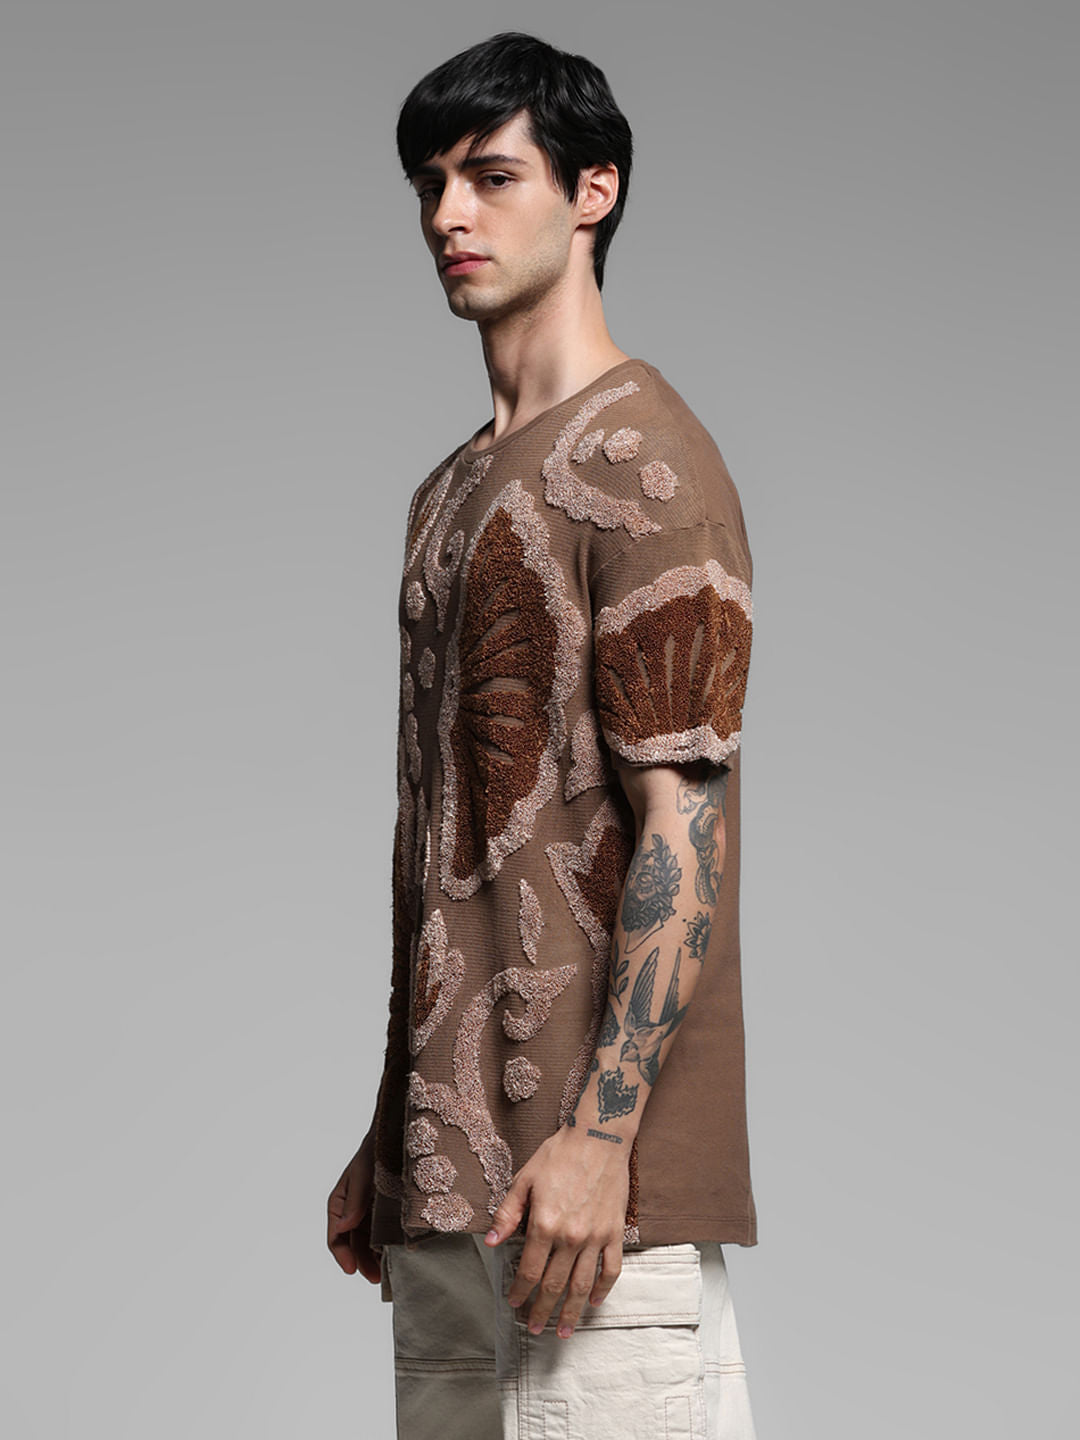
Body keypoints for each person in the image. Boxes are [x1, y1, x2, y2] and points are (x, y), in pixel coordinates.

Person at [327, 31, 759, 1440]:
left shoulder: (645, 462)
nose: (448, 215)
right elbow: (452, 848)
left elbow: (684, 831)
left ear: (593, 193)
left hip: (590, 1203)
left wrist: (602, 1135)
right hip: (450, 1192)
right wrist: (392, 1128)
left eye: (492, 176)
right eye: (430, 184)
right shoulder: (448, 492)